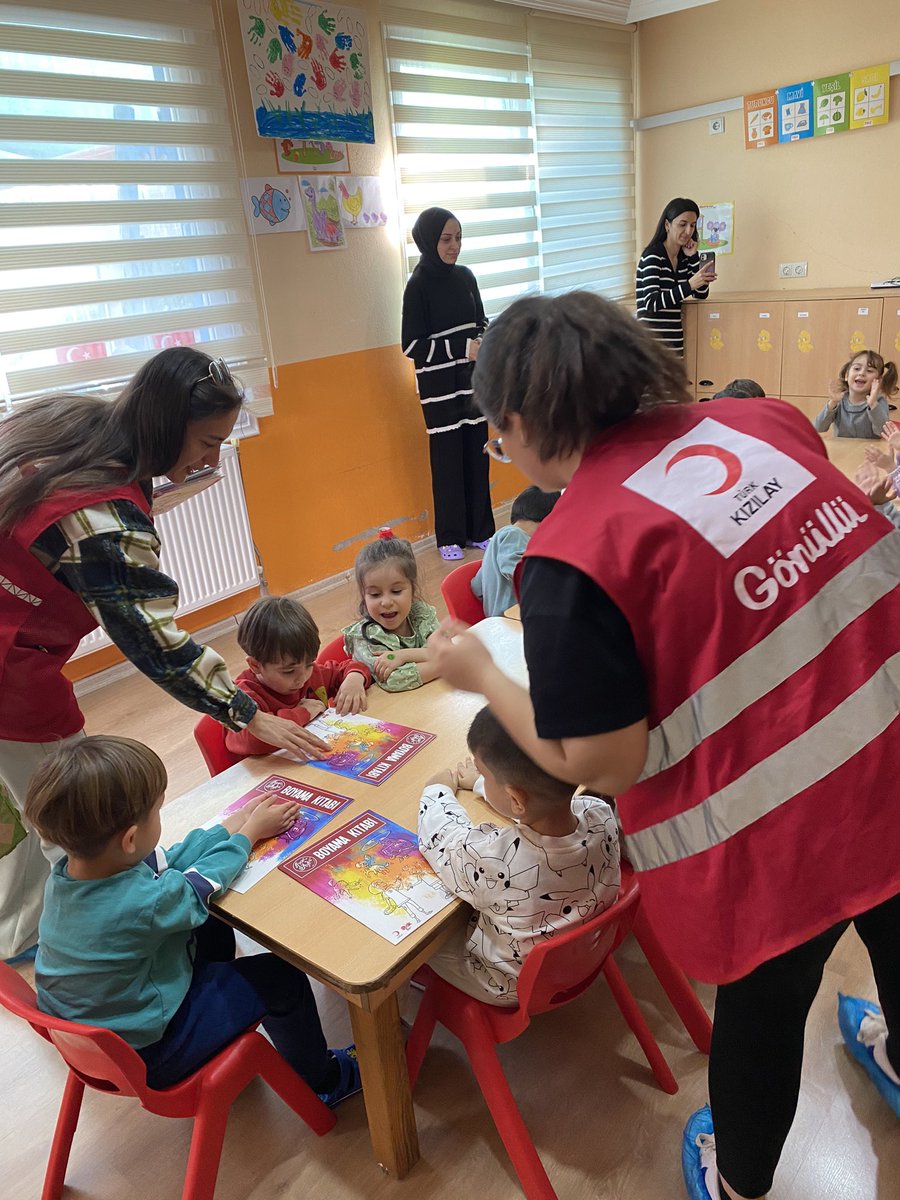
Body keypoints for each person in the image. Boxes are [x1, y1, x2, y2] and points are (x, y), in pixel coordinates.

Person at [425, 291, 900, 1200]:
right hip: (894, 757)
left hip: (785, 836)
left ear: (519, 422)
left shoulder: (574, 552)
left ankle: (741, 1180)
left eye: (496, 431)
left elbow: (602, 764)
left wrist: (485, 674)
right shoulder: (762, 423)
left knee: (762, 1019)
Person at [0, 347, 328, 962]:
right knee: (72, 812)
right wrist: (247, 712)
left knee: (18, 811)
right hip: (12, 666)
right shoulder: (103, 517)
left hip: (18, 639)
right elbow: (155, 642)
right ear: (163, 423)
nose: (212, 459)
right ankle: (93, 952)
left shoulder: (80, 423)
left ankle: (22, 935)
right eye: (206, 441)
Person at [24, 735, 361, 1104]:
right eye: (156, 812)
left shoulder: (70, 873)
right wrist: (248, 835)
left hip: (104, 1033)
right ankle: (324, 1079)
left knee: (209, 924)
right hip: (152, 1052)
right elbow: (201, 884)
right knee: (282, 978)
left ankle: (223, 1018)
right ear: (131, 838)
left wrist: (231, 825)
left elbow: (168, 860)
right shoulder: (141, 903)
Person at [418, 706, 619, 1007]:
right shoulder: (600, 813)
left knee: (421, 943)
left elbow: (442, 840)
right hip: (586, 955)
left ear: (515, 798)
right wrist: (481, 783)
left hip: (508, 985)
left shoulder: (495, 860)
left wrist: (437, 790)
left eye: (486, 774)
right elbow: (534, 805)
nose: (482, 777)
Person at [401, 206, 495, 561]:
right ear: (428, 240)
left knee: (476, 455)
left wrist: (483, 340)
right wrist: (461, 348)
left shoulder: (467, 277)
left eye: (458, 238)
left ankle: (480, 529)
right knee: (447, 464)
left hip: (472, 386)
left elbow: (481, 320)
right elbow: (411, 345)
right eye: (446, 239)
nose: (454, 246)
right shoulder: (418, 285)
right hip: (439, 392)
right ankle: (450, 536)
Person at [224, 596, 371, 757]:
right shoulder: (243, 696)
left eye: (309, 664)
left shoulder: (312, 673)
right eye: (288, 671)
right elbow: (250, 739)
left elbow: (349, 667)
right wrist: (303, 713)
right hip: (273, 773)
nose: (302, 678)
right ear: (255, 665)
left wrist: (355, 678)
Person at [342, 531, 440, 692]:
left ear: (412, 589)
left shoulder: (420, 614)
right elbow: (394, 680)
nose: (386, 602)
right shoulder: (364, 637)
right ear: (363, 595)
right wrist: (443, 665)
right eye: (375, 594)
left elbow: (445, 649)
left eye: (396, 591)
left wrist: (402, 656)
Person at [636, 197, 716, 357]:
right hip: (649, 346)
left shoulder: (684, 257)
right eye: (683, 224)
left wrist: (694, 258)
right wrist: (689, 285)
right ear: (667, 225)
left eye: (692, 225)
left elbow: (701, 294)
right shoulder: (653, 255)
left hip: (674, 343)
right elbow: (651, 303)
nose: (688, 231)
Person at [471, 486, 561, 616]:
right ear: (550, 522)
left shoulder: (502, 539)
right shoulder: (514, 535)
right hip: (510, 621)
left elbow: (477, 586)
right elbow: (522, 574)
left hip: (506, 620)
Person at [814, 349, 898, 438]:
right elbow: (818, 428)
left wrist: (873, 404)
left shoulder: (878, 401)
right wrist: (832, 403)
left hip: (868, 450)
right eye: (857, 368)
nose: (862, 373)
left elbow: (883, 432)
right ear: (846, 375)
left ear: (878, 380)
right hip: (842, 450)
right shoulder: (839, 400)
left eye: (869, 371)